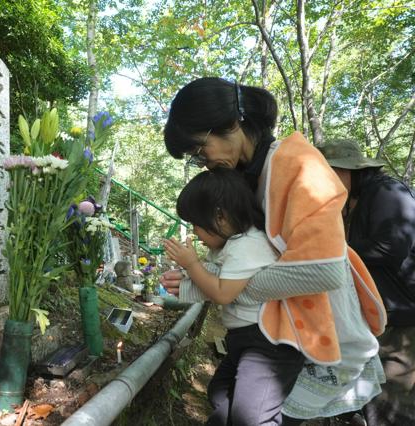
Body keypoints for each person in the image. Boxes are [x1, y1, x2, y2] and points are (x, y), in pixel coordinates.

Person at [160, 77, 386, 425]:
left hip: (312, 328)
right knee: (225, 406)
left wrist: (226, 289)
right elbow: (241, 262)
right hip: (274, 328)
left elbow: (323, 271)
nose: (202, 161)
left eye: (199, 149)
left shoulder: (299, 165)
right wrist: (201, 283)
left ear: (232, 124)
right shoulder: (247, 174)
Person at [164, 168, 304, 425]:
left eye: (196, 223)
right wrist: (185, 281)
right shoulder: (230, 245)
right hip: (246, 338)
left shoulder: (247, 244)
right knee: (220, 392)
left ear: (221, 216)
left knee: (250, 416)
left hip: (270, 344)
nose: (195, 232)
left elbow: (223, 293)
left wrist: (192, 264)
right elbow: (217, 279)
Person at [318, 139, 415, 425]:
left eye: (329, 173)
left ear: (350, 171)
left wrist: (335, 250)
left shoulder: (387, 192)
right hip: (378, 313)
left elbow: (391, 246)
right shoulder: (354, 201)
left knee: (396, 395)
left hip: (403, 314)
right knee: (371, 392)